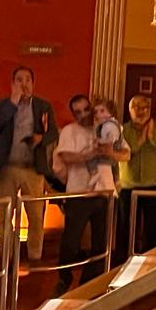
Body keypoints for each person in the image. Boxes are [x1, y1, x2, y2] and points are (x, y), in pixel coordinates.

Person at [52, 95, 127, 296]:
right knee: (71, 241)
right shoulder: (69, 131)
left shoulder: (106, 127)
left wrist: (110, 152)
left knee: (101, 242)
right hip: (78, 193)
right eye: (77, 112)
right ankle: (64, 279)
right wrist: (89, 155)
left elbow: (125, 154)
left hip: (103, 193)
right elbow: (65, 156)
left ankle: (90, 284)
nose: (83, 115)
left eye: (86, 109)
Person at [0, 65, 60, 262]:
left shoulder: (43, 106)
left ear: (33, 84)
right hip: (7, 168)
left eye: (28, 80)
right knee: (4, 215)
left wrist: (39, 139)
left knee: (35, 216)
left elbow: (53, 132)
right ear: (13, 83)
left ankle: (35, 257)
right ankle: (6, 257)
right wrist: (13, 102)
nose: (24, 84)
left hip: (33, 168)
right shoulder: (2, 104)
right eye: (19, 80)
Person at [115, 95, 156, 264]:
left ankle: (152, 264)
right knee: (126, 228)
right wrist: (141, 139)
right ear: (129, 110)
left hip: (154, 185)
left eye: (144, 107)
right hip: (128, 186)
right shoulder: (122, 130)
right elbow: (126, 153)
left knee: (153, 229)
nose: (140, 111)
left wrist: (152, 135)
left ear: (150, 109)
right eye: (136, 107)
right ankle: (123, 264)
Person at [89, 96, 128, 191]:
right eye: (96, 112)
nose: (98, 114)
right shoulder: (100, 127)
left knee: (104, 170)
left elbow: (112, 139)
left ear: (111, 112)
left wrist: (100, 142)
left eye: (102, 111)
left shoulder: (110, 125)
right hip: (104, 159)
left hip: (107, 160)